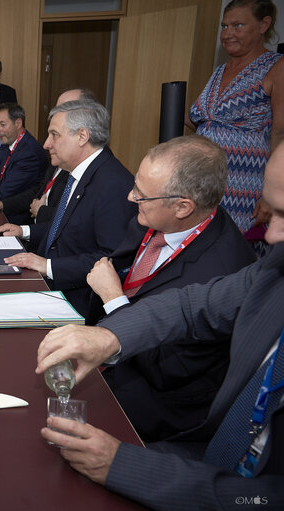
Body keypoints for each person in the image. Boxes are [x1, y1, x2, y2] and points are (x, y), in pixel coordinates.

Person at [35, 138, 284, 511]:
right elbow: (191, 307)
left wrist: (123, 465)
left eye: (283, 215)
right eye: (271, 210)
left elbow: (264, 496)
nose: (270, 234)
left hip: (168, 418)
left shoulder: (226, 259)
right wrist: (108, 335)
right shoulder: (157, 217)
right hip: (194, 435)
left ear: (183, 207)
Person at [86, 135, 257, 442]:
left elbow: (167, 370)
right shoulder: (154, 213)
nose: (130, 197)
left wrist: (113, 300)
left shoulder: (222, 275)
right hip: (110, 355)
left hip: (151, 403)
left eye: (141, 193)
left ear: (182, 207)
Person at [0, 100, 135, 318]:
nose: (46, 144)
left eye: (54, 135)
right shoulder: (78, 172)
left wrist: (48, 266)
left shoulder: (112, 183)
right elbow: (66, 227)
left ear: (82, 137)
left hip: (75, 300)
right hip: (47, 282)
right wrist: (24, 230)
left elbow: (111, 259)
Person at [188, 0, 283, 249]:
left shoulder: (276, 67)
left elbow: (281, 133)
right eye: (225, 26)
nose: (227, 34)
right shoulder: (220, 70)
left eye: (238, 25)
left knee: (235, 255)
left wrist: (270, 196)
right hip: (205, 182)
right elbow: (201, 119)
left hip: (245, 185)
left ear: (264, 25)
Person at [0, 88, 94, 227]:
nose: (46, 145)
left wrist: (40, 214)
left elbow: (74, 220)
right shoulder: (60, 160)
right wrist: (2, 205)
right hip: (32, 229)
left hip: (28, 225)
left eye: (54, 135)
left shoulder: (100, 174)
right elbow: (36, 191)